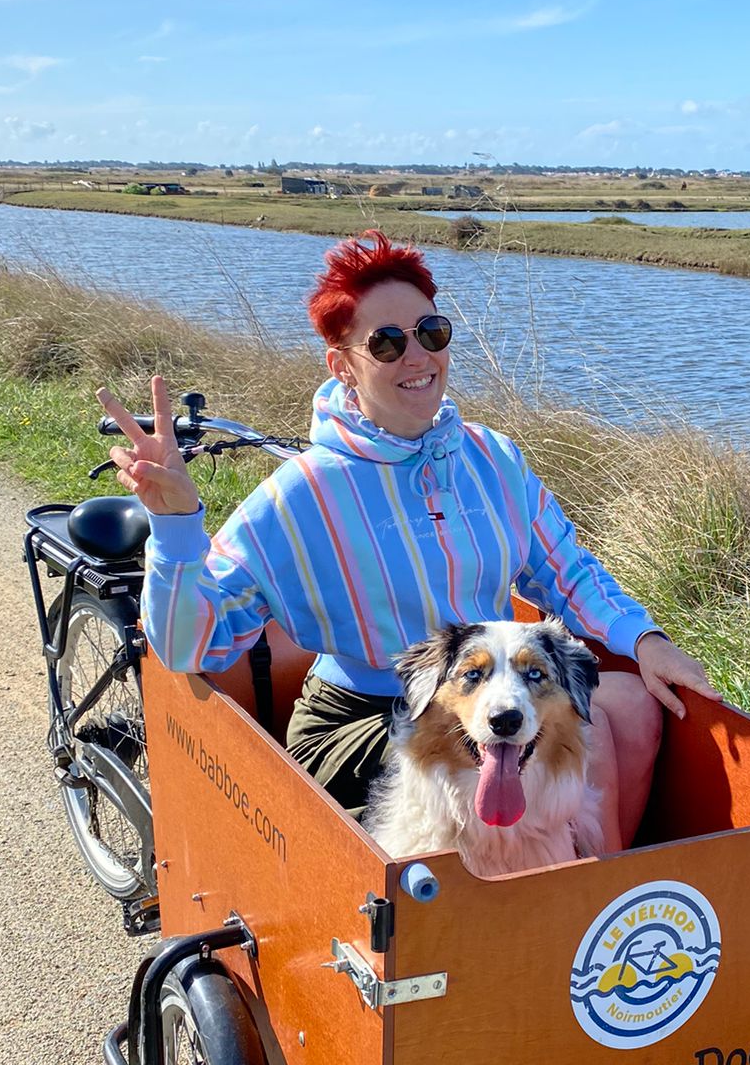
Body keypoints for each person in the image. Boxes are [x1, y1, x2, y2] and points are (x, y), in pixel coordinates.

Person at [98, 230, 716, 848]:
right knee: (584, 733)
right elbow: (186, 645)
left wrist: (645, 640)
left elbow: (565, 571)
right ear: (342, 364)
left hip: (493, 686)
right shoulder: (303, 494)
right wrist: (176, 524)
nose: (416, 357)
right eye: (387, 343)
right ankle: (577, 899)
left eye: (431, 332)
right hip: (363, 716)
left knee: (632, 703)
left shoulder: (491, 457)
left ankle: (601, 883)